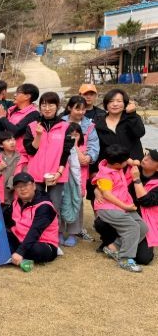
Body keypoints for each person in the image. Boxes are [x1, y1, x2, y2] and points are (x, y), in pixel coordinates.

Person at [94, 149, 158, 265]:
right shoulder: (128, 167)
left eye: (152, 159)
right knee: (101, 222)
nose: (146, 158)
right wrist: (98, 190)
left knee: (143, 258)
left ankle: (114, 246)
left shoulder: (137, 174)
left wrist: (136, 179)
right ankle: (124, 258)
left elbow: (145, 201)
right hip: (121, 210)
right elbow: (107, 178)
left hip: (141, 217)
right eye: (147, 155)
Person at [23, 91, 73, 241]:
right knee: (35, 205)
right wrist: (38, 135)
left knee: (54, 206)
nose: (47, 108)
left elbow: (66, 152)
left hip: (56, 174)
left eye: (51, 104)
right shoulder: (32, 126)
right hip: (35, 173)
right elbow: (30, 150)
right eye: (44, 104)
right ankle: (34, 236)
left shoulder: (66, 127)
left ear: (57, 106)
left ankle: (52, 238)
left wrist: (59, 172)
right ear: (40, 107)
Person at [61, 95, 99, 242]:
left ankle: (73, 232)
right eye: (77, 109)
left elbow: (94, 146)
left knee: (76, 198)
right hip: (62, 167)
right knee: (59, 198)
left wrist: (89, 157)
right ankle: (58, 230)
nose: (81, 112)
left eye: (83, 109)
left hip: (80, 170)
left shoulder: (89, 126)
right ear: (69, 108)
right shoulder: (61, 122)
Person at [4, 172, 59, 267]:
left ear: (34, 186)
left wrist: (20, 252)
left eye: (25, 185)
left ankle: (15, 253)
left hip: (42, 243)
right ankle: (15, 254)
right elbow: (4, 219)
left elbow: (35, 231)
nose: (22, 189)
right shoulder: (15, 203)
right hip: (20, 239)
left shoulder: (45, 206)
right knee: (0, 235)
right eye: (18, 186)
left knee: (36, 250)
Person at [94, 88, 145, 163]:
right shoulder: (99, 124)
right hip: (111, 166)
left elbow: (140, 133)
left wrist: (132, 114)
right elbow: (99, 149)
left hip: (134, 165)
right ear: (106, 104)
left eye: (119, 101)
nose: (115, 104)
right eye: (111, 101)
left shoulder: (132, 118)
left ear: (125, 104)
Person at [0, 83, 40, 166]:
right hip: (4, 154)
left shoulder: (33, 114)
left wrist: (2, 118)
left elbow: (16, 131)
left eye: (18, 93)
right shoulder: (11, 110)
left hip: (20, 157)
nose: (14, 95)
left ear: (27, 96)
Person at [0, 130, 22, 206]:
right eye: (8, 140)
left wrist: (12, 179)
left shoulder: (21, 158)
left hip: (16, 194)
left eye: (13, 139)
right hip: (1, 195)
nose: (12, 142)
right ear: (1, 145)